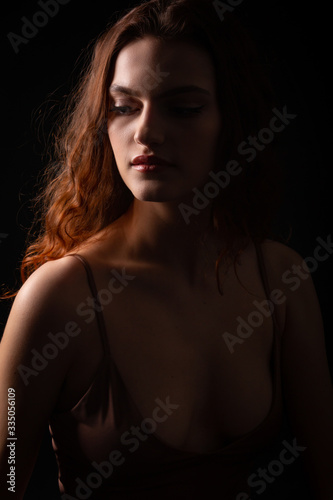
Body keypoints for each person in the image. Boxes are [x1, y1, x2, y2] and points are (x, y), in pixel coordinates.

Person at [0, 0, 332, 498]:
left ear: (232, 121)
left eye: (184, 108)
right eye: (124, 106)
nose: (147, 132)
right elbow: (3, 478)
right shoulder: (60, 297)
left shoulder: (279, 281)